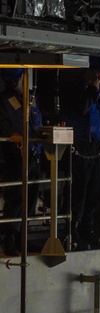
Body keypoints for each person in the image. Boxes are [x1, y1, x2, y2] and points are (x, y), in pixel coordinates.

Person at [66, 56, 100, 249]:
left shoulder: (97, 93)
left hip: (95, 146)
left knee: (94, 190)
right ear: (90, 72)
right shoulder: (77, 89)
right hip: (80, 146)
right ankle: (72, 230)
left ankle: (87, 228)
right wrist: (93, 89)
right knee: (79, 191)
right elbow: (82, 109)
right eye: (98, 75)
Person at [0, 69, 43, 255]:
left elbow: (36, 122)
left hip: (34, 153)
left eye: (15, 80)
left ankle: (22, 238)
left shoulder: (31, 99)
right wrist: (12, 134)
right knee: (15, 198)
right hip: (14, 155)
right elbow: (3, 123)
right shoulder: (3, 100)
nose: (12, 85)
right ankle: (9, 239)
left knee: (31, 197)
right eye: (8, 82)